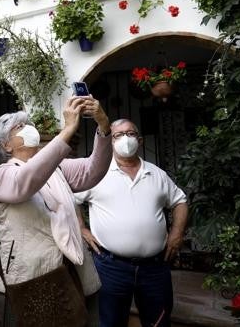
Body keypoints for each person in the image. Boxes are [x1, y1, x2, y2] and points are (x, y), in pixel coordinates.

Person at [0, 96, 112, 326]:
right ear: (6, 145)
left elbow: (93, 170)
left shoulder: (56, 169)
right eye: (20, 127)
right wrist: (67, 130)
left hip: (74, 273)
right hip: (30, 280)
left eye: (29, 124)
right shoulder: (2, 174)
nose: (30, 129)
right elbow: (26, 181)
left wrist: (104, 126)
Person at [74, 119, 188, 327]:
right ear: (109, 142)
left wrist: (176, 233)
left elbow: (180, 201)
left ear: (140, 140)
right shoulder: (96, 173)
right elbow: (72, 200)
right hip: (111, 267)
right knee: (111, 322)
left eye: (130, 133)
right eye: (117, 135)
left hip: (155, 267)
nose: (125, 139)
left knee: (158, 322)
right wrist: (82, 228)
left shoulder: (157, 174)